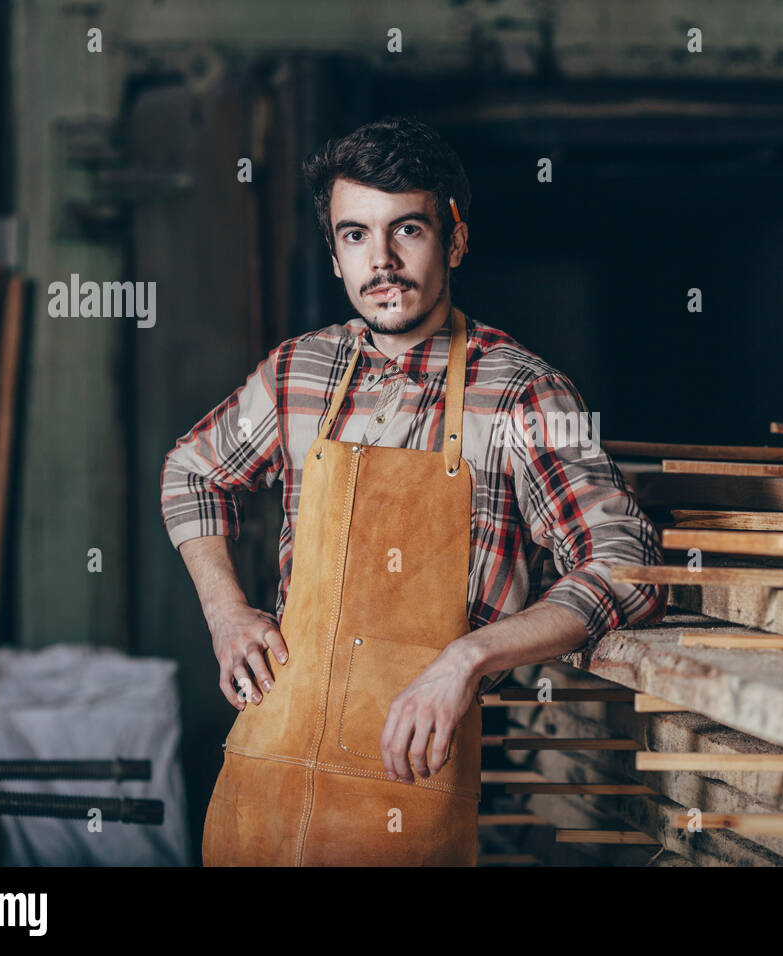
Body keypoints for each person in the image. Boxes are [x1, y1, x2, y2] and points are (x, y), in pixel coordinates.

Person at [160, 115, 667, 865]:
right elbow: (193, 470)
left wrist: (466, 660)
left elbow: (625, 562)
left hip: (414, 783)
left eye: (409, 230)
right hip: (266, 768)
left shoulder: (522, 395)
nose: (383, 261)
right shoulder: (298, 374)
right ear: (334, 255)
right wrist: (226, 613)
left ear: (455, 239)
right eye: (356, 235)